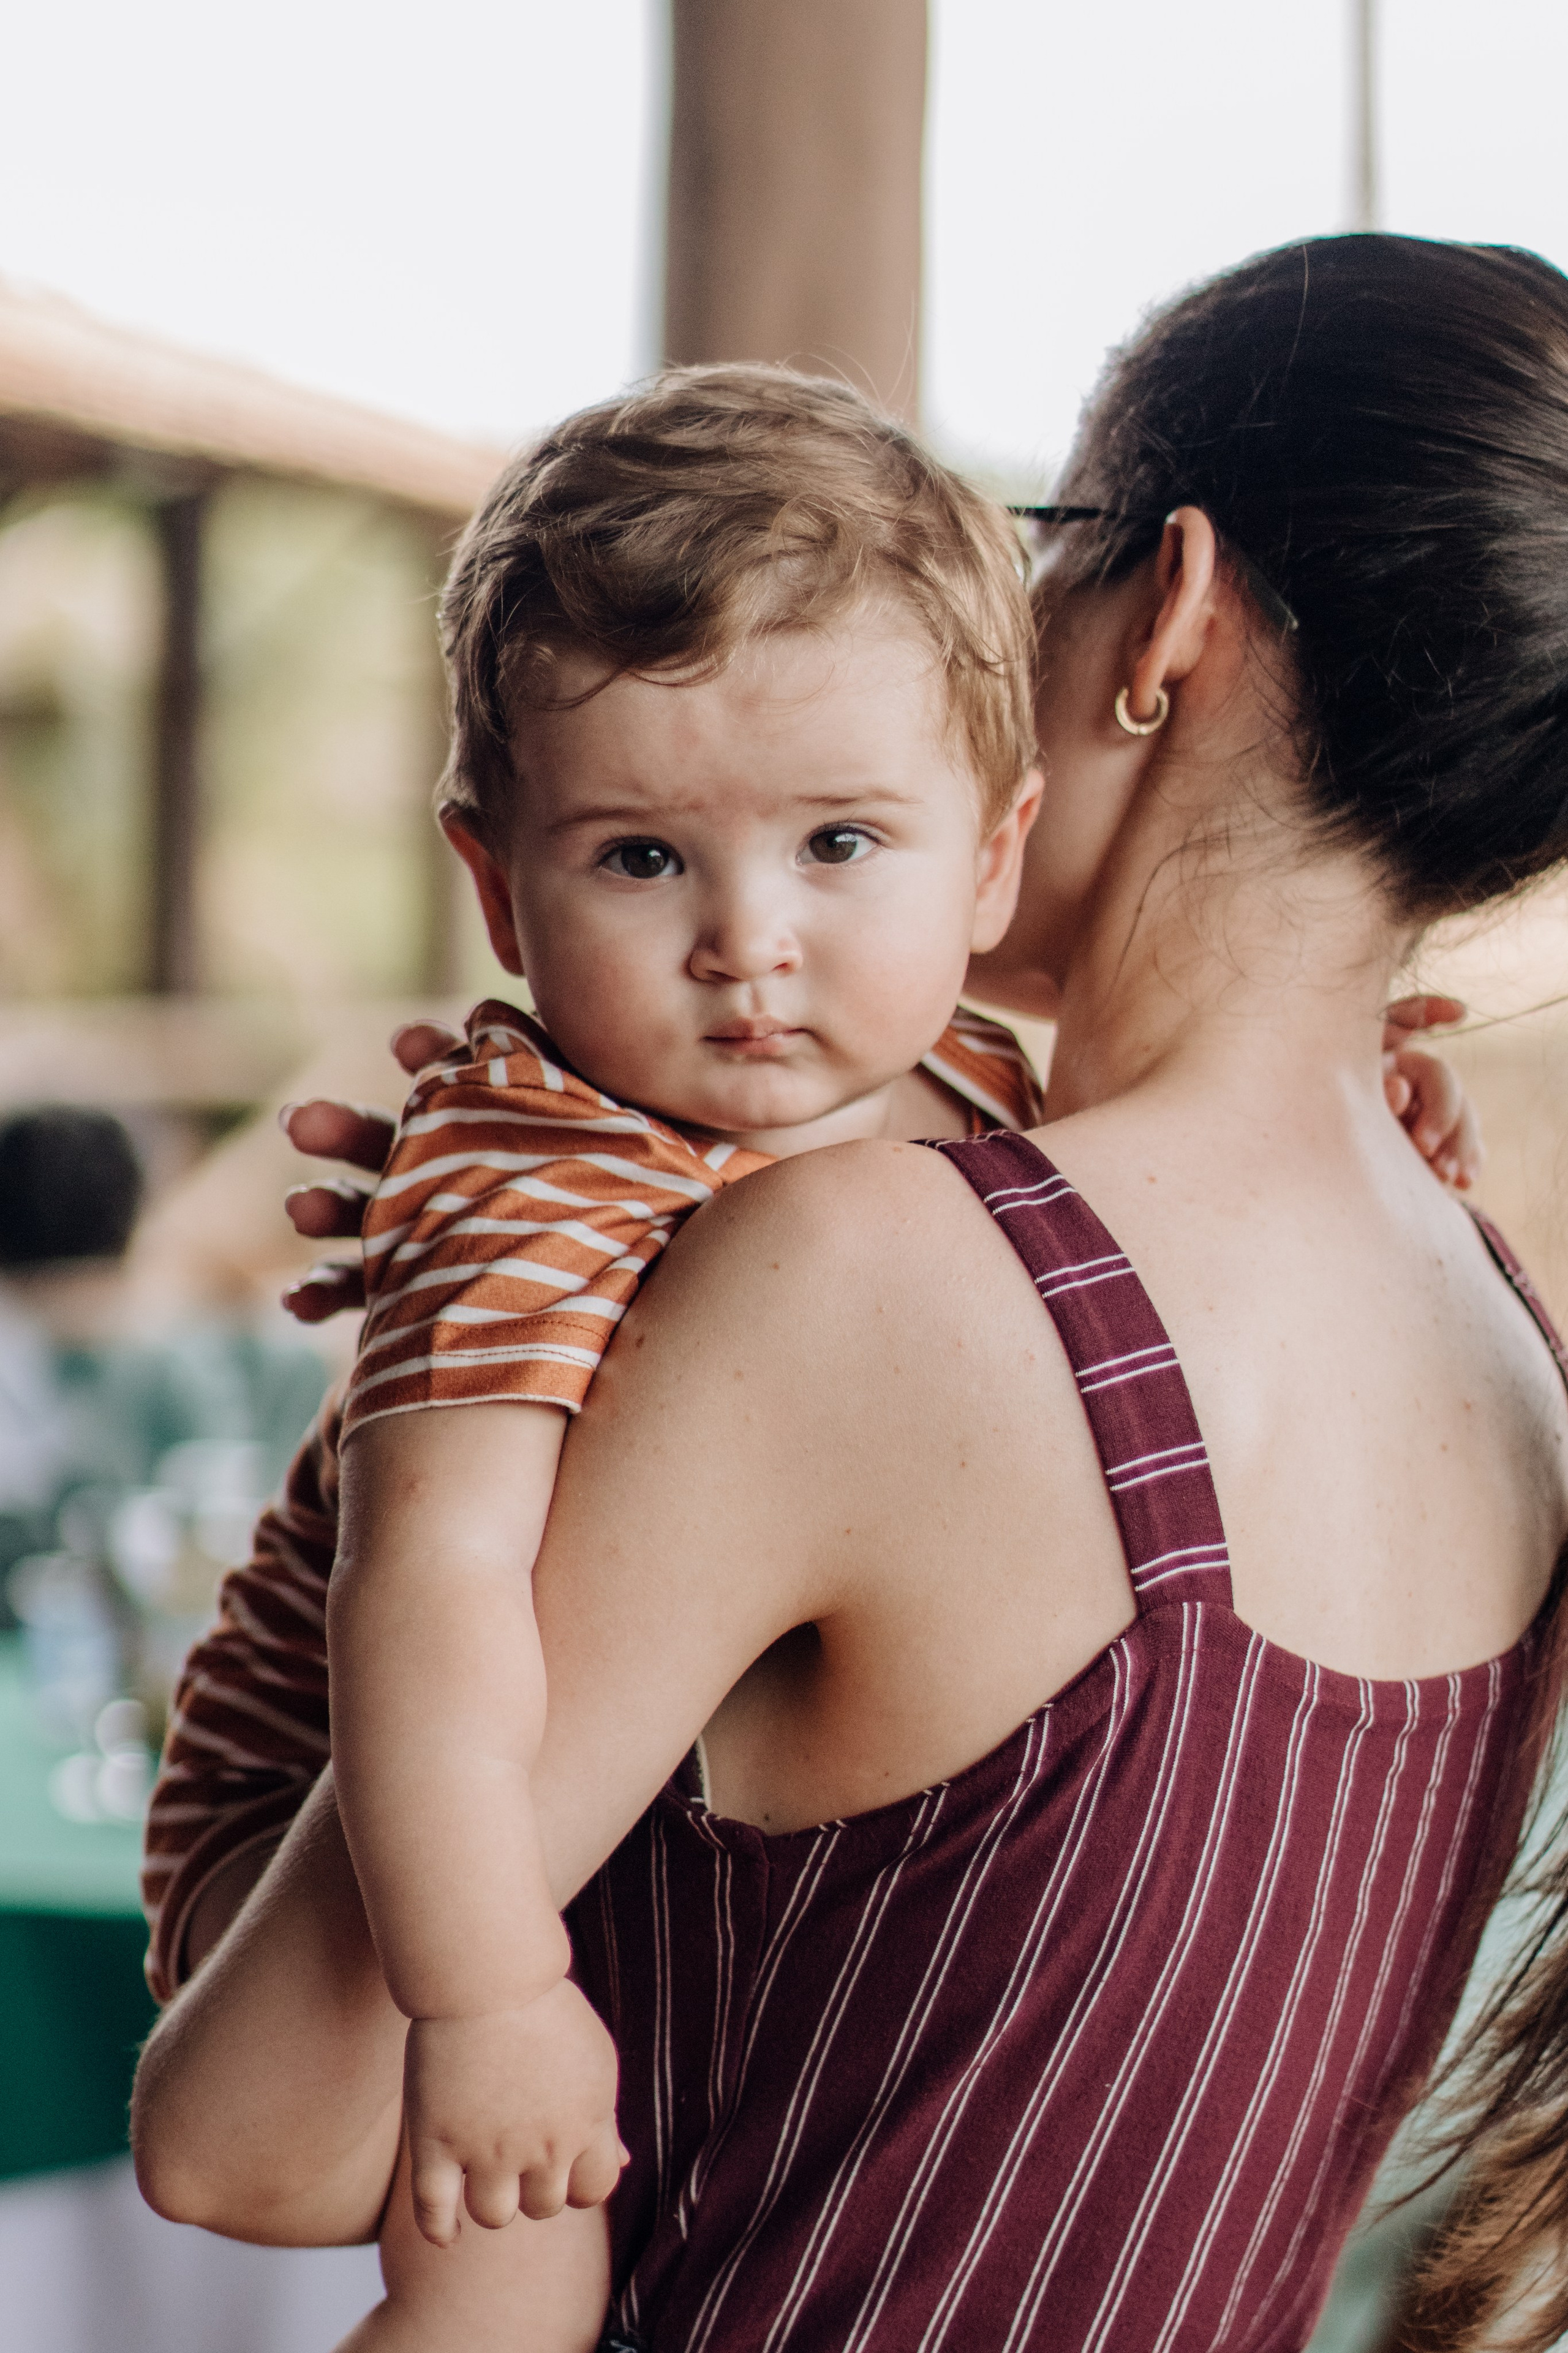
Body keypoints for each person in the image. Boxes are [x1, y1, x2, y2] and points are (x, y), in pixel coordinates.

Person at [132, 232, 1568, 2353]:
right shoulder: (1509, 1337)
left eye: (1037, 552)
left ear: (1167, 617)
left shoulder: (873, 1273)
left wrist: (475, 1345)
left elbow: (254, 2138)